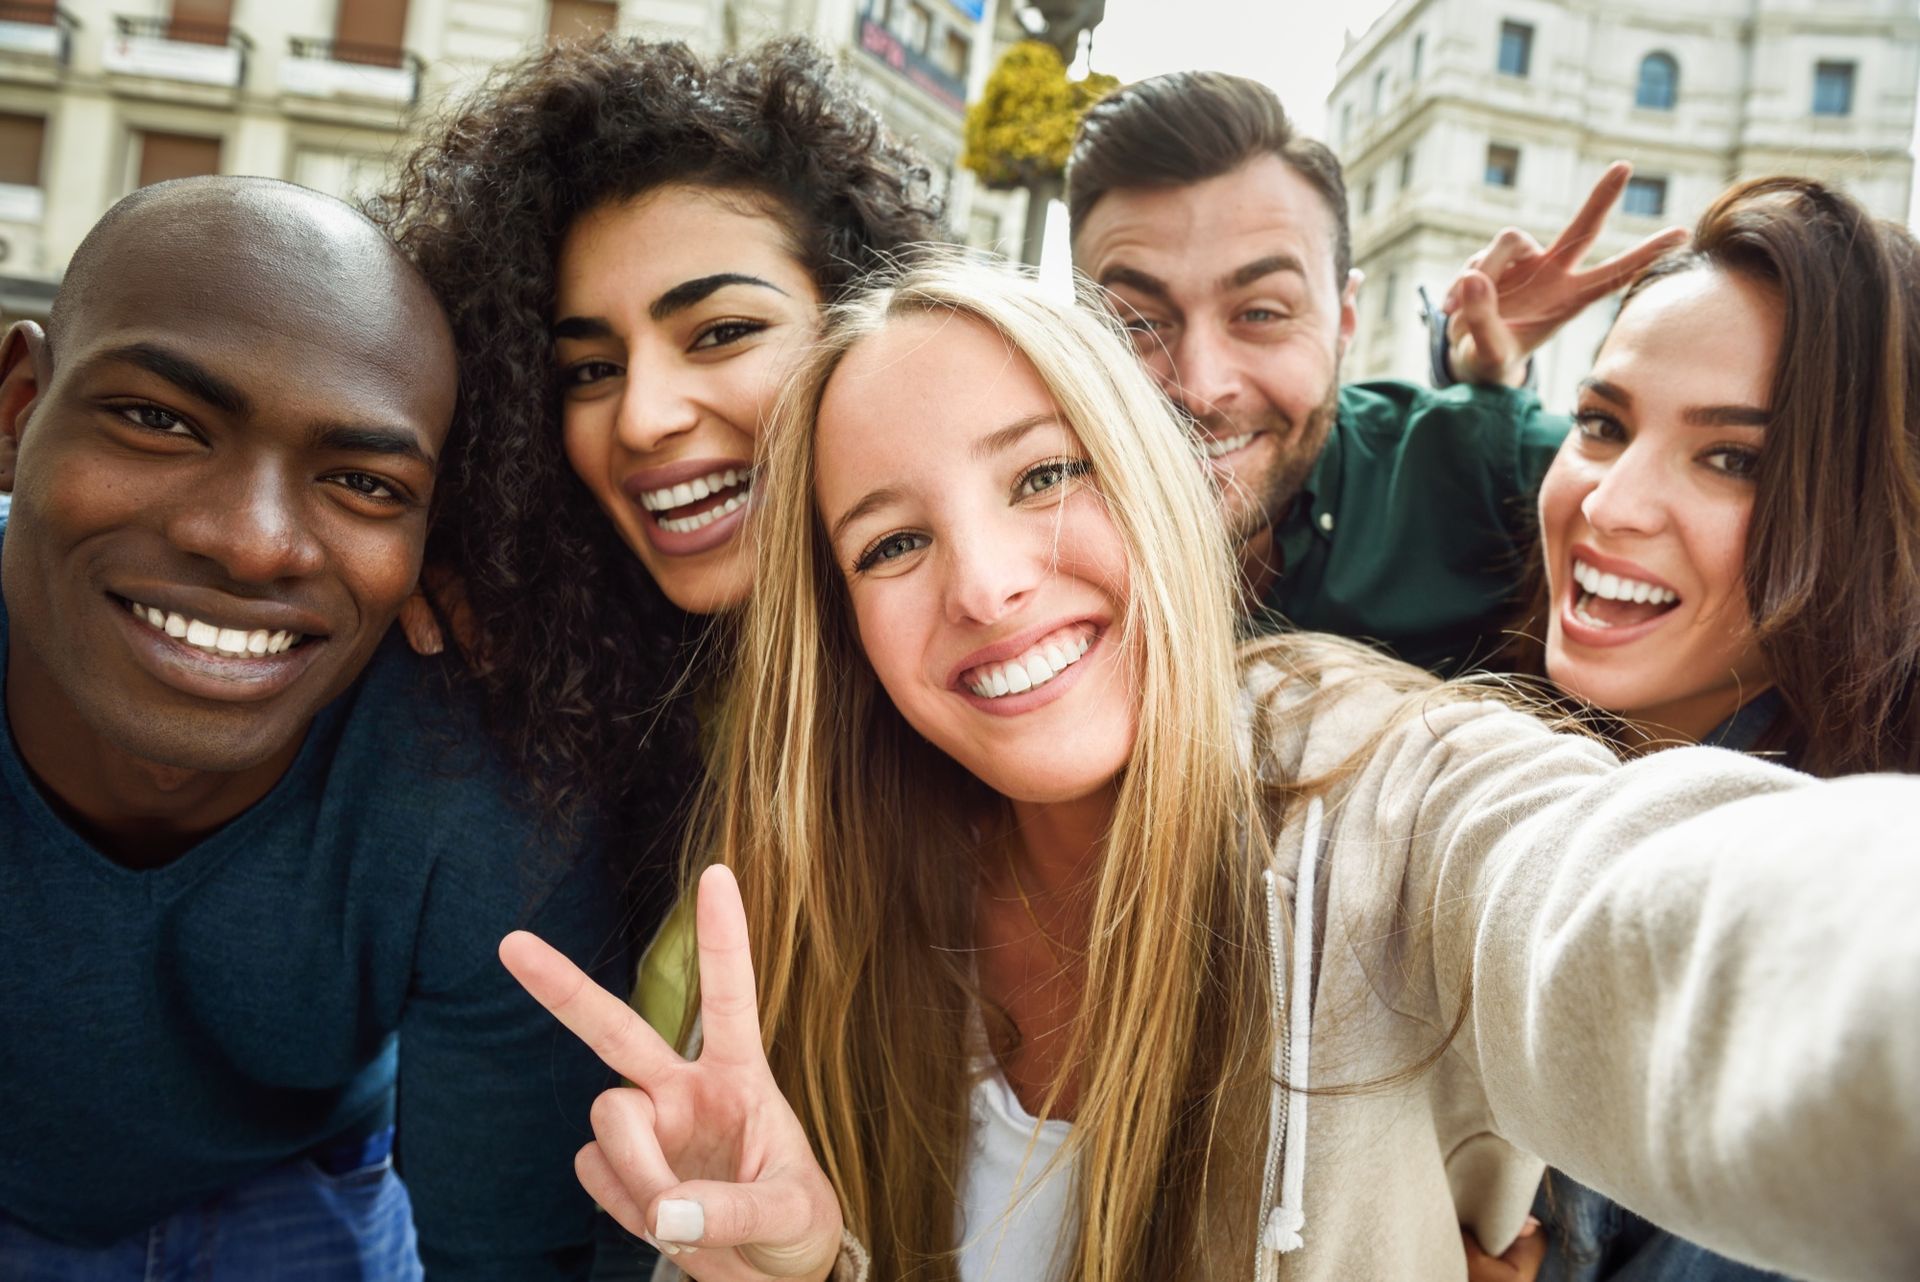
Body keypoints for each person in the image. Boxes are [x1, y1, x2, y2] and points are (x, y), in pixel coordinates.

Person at [499, 254, 1920, 1282]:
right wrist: (800, 1266)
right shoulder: (821, 917)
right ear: (847, 631)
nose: (989, 583)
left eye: (1047, 474)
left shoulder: (1384, 791)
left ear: (1166, 484)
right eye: (892, 540)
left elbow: (1651, 915)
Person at [0, 178, 622, 1280]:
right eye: (159, 420)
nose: (250, 542)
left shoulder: (483, 781)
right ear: (17, 413)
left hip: (305, 1186)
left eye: (362, 483)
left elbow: (504, 1254)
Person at [375, 35, 944, 924]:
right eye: (589, 372)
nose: (643, 418)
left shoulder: (999, 671)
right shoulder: (534, 685)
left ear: (864, 320)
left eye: (721, 333)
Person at [1505, 177, 1920, 1282]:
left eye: (1733, 458)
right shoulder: (1522, 755)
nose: (1610, 503)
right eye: (1602, 424)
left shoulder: (1832, 967)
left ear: (1870, 515)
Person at [1065, 71, 1687, 673]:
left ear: (1344, 320)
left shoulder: (1473, 468)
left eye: (1260, 313)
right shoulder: (1026, 527)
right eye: (1137, 323)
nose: (1200, 388)